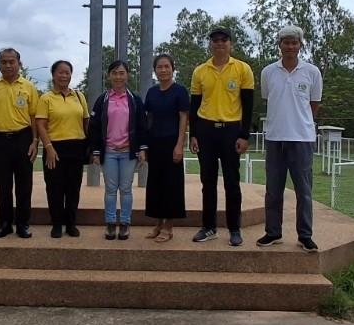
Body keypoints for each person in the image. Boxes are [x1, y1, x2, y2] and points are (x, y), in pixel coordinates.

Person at [258, 25, 323, 252]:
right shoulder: (268, 72)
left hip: (302, 139)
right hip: (275, 138)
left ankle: (305, 235)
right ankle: (273, 232)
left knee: (303, 191)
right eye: (286, 42)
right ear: (279, 45)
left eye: (294, 42)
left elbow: (314, 104)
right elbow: (269, 99)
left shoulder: (312, 72)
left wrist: (299, 123)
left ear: (300, 45)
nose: (290, 46)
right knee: (273, 190)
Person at [189, 26, 254, 247]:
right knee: (207, 182)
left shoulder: (243, 69)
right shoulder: (200, 71)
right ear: (210, 44)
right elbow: (194, 106)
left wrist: (244, 135)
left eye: (223, 40)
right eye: (215, 40)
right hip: (206, 130)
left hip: (231, 131)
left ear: (230, 43)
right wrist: (193, 134)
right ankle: (209, 227)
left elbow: (248, 105)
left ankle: (234, 229)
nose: (219, 44)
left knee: (232, 182)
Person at [0, 47, 40, 239]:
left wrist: (35, 141)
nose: (8, 65)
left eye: (11, 61)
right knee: (3, 185)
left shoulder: (28, 87)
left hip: (23, 139)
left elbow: (34, 116)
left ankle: (23, 223)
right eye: (4, 62)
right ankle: (5, 223)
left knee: (24, 185)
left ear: (19, 63)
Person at [88, 60, 147, 240]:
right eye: (114, 73)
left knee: (126, 189)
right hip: (109, 152)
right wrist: (96, 151)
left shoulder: (135, 99)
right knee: (111, 190)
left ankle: (125, 223)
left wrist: (142, 149)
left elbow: (142, 126)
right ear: (109, 76)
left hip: (128, 152)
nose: (118, 76)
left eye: (122, 73)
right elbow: (94, 127)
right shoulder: (103, 100)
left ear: (127, 75)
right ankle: (111, 223)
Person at [34, 60, 90, 238]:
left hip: (76, 147)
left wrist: (90, 146)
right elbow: (41, 125)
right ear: (53, 75)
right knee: (55, 188)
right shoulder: (46, 98)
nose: (64, 76)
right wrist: (49, 147)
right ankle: (57, 224)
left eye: (67, 72)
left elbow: (86, 122)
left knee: (73, 188)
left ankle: (71, 224)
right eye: (60, 72)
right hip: (54, 148)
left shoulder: (79, 96)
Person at [142, 53, 189, 242]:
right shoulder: (152, 92)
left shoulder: (180, 91)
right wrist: (145, 146)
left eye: (166, 66)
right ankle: (158, 224)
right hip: (154, 144)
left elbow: (184, 118)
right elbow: (148, 119)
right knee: (156, 185)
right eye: (159, 67)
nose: (163, 70)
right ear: (155, 70)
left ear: (172, 69)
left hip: (172, 144)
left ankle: (168, 227)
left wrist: (179, 145)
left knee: (171, 186)